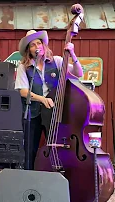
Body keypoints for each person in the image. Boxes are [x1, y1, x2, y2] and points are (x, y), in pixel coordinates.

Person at [15, 30, 83, 170]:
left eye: (38, 43)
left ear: (44, 45)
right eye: (32, 45)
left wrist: (72, 54)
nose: (36, 46)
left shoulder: (57, 61)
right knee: (30, 149)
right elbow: (22, 90)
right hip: (33, 113)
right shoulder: (24, 67)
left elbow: (78, 73)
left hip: (55, 112)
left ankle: (59, 174)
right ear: (29, 50)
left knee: (58, 146)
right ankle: (30, 177)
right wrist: (41, 99)